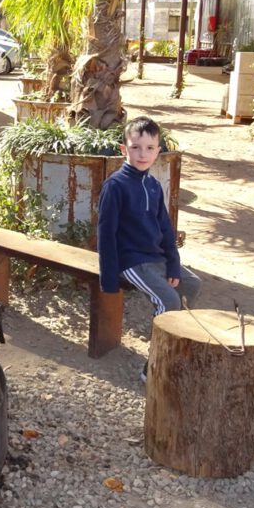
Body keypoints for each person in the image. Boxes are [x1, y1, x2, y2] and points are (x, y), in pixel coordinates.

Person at [97, 115, 201, 382]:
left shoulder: (153, 185)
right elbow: (106, 234)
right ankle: (154, 367)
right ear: (124, 150)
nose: (142, 154)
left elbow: (166, 229)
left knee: (192, 285)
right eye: (135, 147)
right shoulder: (115, 186)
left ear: (158, 150)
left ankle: (175, 345)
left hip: (155, 258)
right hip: (130, 261)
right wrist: (108, 279)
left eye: (149, 148)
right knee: (168, 301)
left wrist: (174, 264)